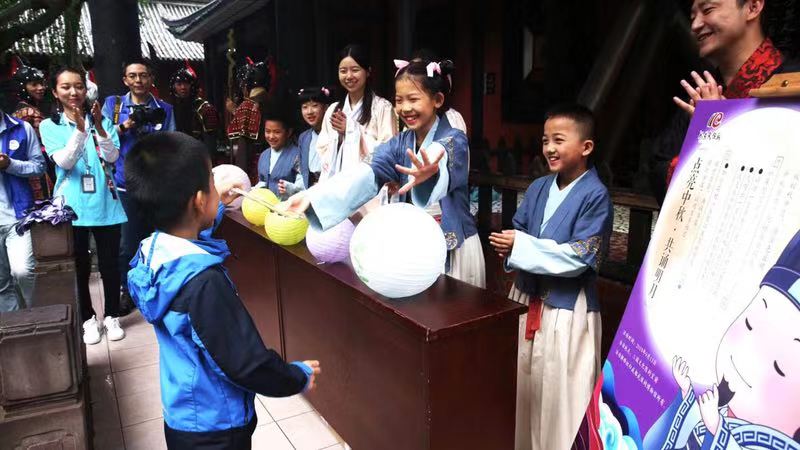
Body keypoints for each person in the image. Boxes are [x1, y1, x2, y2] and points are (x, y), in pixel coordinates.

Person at [124, 131, 321, 449]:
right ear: (198, 200)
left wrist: (214, 209)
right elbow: (246, 364)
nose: (218, 189)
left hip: (183, 415)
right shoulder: (204, 284)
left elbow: (186, 236)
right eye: (212, 183)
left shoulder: (152, 253)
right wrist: (295, 376)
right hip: (217, 428)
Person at [282, 58, 486, 288]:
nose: (405, 108)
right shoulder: (400, 144)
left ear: (437, 100)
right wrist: (314, 196)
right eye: (399, 100)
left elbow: (441, 152)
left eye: (413, 99)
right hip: (414, 244)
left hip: (453, 246)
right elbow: (367, 171)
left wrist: (430, 172)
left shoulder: (454, 138)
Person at [488, 104, 613, 450]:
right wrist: (509, 247)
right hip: (526, 299)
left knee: (563, 398)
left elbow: (580, 257)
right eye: (545, 141)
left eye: (559, 140)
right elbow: (519, 229)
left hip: (566, 310)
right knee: (524, 389)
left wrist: (520, 247)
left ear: (586, 147)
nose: (549, 148)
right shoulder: (539, 187)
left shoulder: (596, 195)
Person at [644, 229, 800, 450]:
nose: (749, 355)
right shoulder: (721, 410)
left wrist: (717, 429)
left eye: (779, 367)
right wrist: (686, 392)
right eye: (749, 323)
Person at [650, 0, 800, 202]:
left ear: (753, 7)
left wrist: (720, 133)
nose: (695, 25)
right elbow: (658, 169)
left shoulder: (792, 84)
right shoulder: (700, 97)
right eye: (693, 17)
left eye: (708, 10)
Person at [40, 67, 127, 344]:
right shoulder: (49, 125)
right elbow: (65, 162)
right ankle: (88, 319)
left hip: (105, 200)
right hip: (71, 205)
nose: (74, 92)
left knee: (110, 263)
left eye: (78, 86)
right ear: (55, 92)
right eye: (65, 87)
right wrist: (80, 130)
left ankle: (112, 315)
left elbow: (112, 157)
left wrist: (98, 126)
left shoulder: (101, 119)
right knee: (79, 265)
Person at [102, 58, 175, 316]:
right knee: (128, 242)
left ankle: (159, 287)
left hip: (155, 182)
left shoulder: (164, 108)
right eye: (132, 76)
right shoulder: (114, 105)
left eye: (143, 75)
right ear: (125, 80)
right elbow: (102, 137)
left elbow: (172, 143)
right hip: (125, 182)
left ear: (151, 79)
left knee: (159, 237)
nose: (138, 80)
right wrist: (127, 125)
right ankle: (128, 289)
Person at [316, 44, 397, 184]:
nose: (349, 76)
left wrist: (351, 130)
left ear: (368, 71)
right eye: (343, 71)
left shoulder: (383, 108)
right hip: (337, 184)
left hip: (368, 185)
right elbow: (322, 149)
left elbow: (388, 151)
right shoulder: (333, 110)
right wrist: (340, 139)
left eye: (355, 70)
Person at [0, 104, 44, 312]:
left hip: (17, 217)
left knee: (23, 271)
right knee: (1, 283)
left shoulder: (21, 128)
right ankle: (15, 322)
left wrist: (10, 164)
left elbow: (39, 166)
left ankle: (35, 315)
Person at [11, 63, 54, 199]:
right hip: (35, 168)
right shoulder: (27, 112)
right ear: (23, 87)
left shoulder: (24, 109)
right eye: (34, 84)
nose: (41, 88)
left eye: (42, 84)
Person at [227, 59, 270, 177]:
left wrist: (240, 174)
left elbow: (243, 147)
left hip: (254, 163)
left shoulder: (247, 106)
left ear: (245, 86)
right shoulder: (271, 100)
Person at [169, 63, 220, 159]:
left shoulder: (206, 109)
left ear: (193, 85)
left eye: (186, 83)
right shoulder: (171, 108)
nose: (183, 87)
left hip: (198, 156)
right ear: (173, 87)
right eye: (179, 84)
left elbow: (211, 144)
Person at [254, 109, 304, 200]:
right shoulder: (264, 155)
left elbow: (303, 187)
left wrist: (291, 189)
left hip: (289, 206)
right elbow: (262, 181)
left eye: (277, 132)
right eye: (267, 131)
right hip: (267, 205)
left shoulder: (298, 155)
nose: (271, 136)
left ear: (289, 132)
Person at [296, 87, 332, 187]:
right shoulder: (303, 138)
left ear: (325, 108)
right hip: (310, 189)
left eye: (315, 105)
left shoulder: (335, 133)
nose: (309, 111)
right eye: (305, 107)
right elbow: (302, 171)